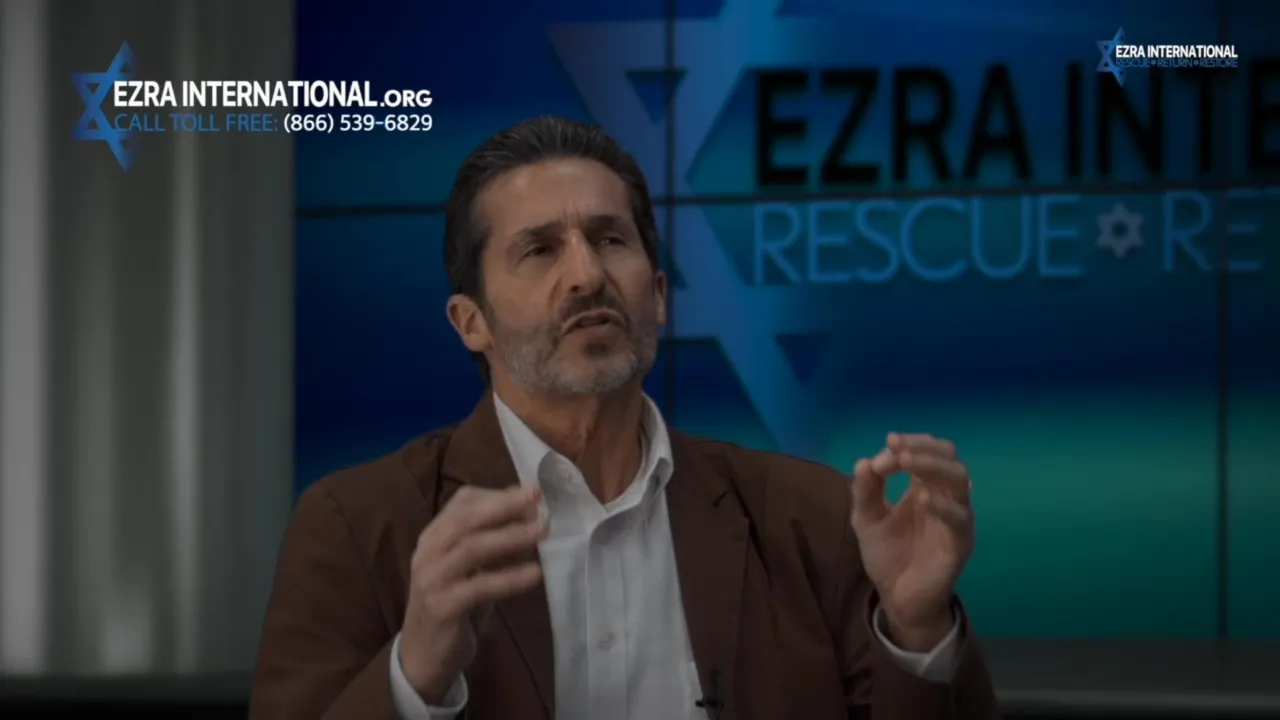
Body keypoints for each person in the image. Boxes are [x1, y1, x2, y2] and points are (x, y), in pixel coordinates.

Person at [249, 115, 1001, 720]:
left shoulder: (810, 518)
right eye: (539, 250)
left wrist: (914, 631)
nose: (586, 274)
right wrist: (414, 676)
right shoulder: (358, 527)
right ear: (470, 322)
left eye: (610, 239)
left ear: (659, 295)